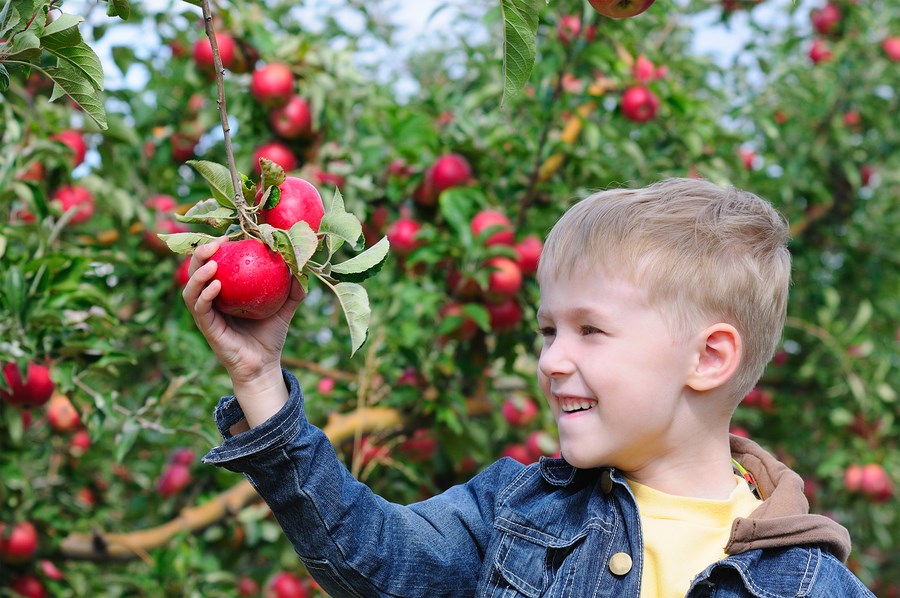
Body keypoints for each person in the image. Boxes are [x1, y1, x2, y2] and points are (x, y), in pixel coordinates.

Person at [184, 178, 874, 597]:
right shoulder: (517, 510)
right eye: (548, 331)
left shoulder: (808, 586)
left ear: (709, 358)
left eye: (590, 332)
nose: (549, 361)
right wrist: (259, 378)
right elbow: (372, 557)